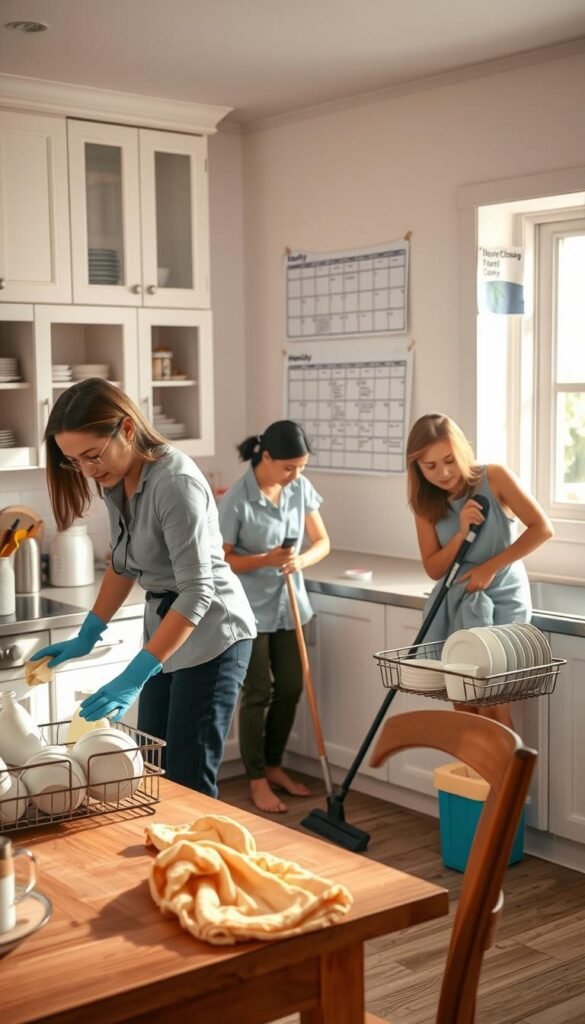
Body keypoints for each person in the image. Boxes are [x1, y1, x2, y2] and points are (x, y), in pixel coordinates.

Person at [30, 379, 256, 797]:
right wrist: (87, 634)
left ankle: (199, 858)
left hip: (212, 637)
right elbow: (123, 564)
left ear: (128, 430)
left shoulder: (174, 482)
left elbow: (196, 593)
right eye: (74, 461)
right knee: (150, 765)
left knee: (188, 778)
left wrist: (135, 673)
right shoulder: (117, 478)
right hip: (167, 632)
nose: (87, 470)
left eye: (92, 455)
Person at [406, 412, 553, 726]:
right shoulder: (425, 502)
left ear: (462, 450)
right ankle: (474, 776)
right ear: (416, 467)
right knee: (462, 701)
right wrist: (460, 533)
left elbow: (542, 528)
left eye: (449, 459)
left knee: (492, 704)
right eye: (430, 466)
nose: (443, 472)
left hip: (503, 593)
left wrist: (489, 567)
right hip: (457, 601)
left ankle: (507, 777)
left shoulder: (495, 477)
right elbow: (434, 568)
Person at [218, 420, 330, 814]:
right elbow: (223, 559)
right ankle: (256, 779)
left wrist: (300, 561)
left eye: (301, 467)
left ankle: (275, 764)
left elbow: (322, 542)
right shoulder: (236, 499)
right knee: (258, 693)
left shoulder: (299, 487)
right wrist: (266, 559)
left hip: (292, 605)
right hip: (250, 611)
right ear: (265, 457)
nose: (296, 475)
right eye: (289, 468)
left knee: (292, 687)